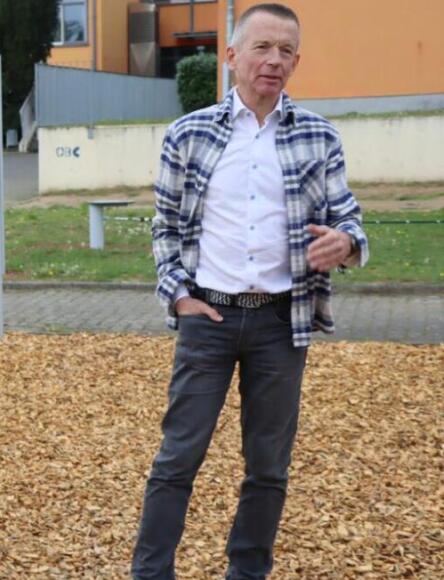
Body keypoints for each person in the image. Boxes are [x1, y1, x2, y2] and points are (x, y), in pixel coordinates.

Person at [131, 4, 369, 579]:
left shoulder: (319, 135)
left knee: (267, 466)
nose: (274, 61)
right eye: (262, 47)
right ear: (231, 56)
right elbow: (163, 226)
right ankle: (151, 572)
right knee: (177, 458)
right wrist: (179, 296)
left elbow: (351, 220)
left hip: (281, 325)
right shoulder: (187, 134)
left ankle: (247, 572)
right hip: (206, 319)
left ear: (296, 62)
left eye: (286, 51)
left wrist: (347, 242)